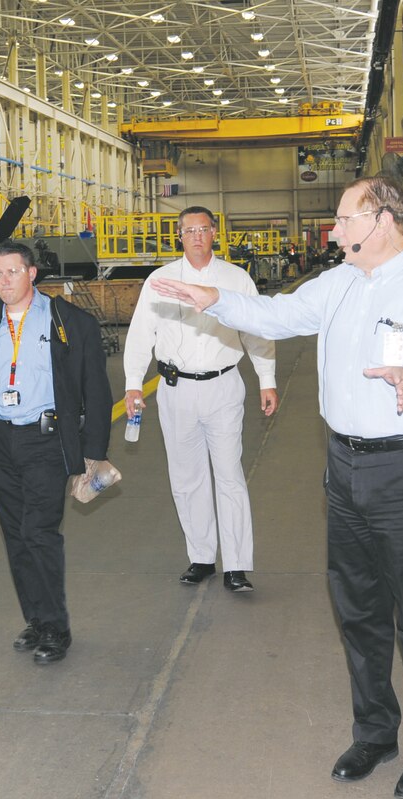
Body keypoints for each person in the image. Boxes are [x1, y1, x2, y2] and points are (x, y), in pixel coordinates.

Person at [147, 176, 403, 799]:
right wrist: (214, 299)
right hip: (345, 467)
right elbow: (275, 315)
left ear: (382, 221)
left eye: (341, 219)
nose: (332, 231)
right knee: (358, 609)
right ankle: (375, 732)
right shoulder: (337, 283)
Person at [0, 241, 113, 665]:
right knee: (15, 534)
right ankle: (36, 620)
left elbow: (95, 389)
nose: (4, 282)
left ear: (32, 273)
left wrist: (94, 452)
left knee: (39, 532)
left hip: (45, 441)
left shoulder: (69, 322)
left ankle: (57, 628)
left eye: (12, 273)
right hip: (0, 439)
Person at [123, 206, 278, 593]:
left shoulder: (235, 279)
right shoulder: (160, 281)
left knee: (229, 476)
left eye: (203, 229)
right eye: (188, 230)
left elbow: (257, 331)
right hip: (175, 390)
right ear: (179, 236)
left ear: (214, 233)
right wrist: (132, 384)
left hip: (223, 387)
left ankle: (237, 566)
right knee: (187, 478)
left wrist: (267, 379)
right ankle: (202, 558)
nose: (196, 236)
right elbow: (142, 334)